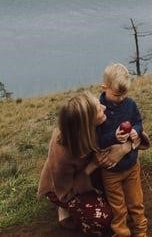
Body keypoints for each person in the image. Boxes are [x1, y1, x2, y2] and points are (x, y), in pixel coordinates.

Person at [38, 91, 133, 234]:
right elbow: (66, 191)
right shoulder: (62, 153)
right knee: (105, 219)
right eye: (99, 110)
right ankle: (65, 209)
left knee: (126, 200)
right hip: (62, 188)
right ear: (87, 123)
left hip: (91, 174)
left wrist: (125, 148)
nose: (104, 108)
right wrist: (93, 165)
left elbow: (136, 132)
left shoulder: (99, 123)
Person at [97, 63, 148, 237]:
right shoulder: (98, 110)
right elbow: (97, 140)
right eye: (117, 94)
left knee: (136, 202)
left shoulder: (130, 104)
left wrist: (136, 130)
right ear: (105, 88)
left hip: (132, 165)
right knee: (118, 208)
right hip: (110, 172)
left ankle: (141, 230)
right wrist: (113, 137)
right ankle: (122, 233)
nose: (121, 98)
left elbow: (138, 122)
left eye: (124, 94)